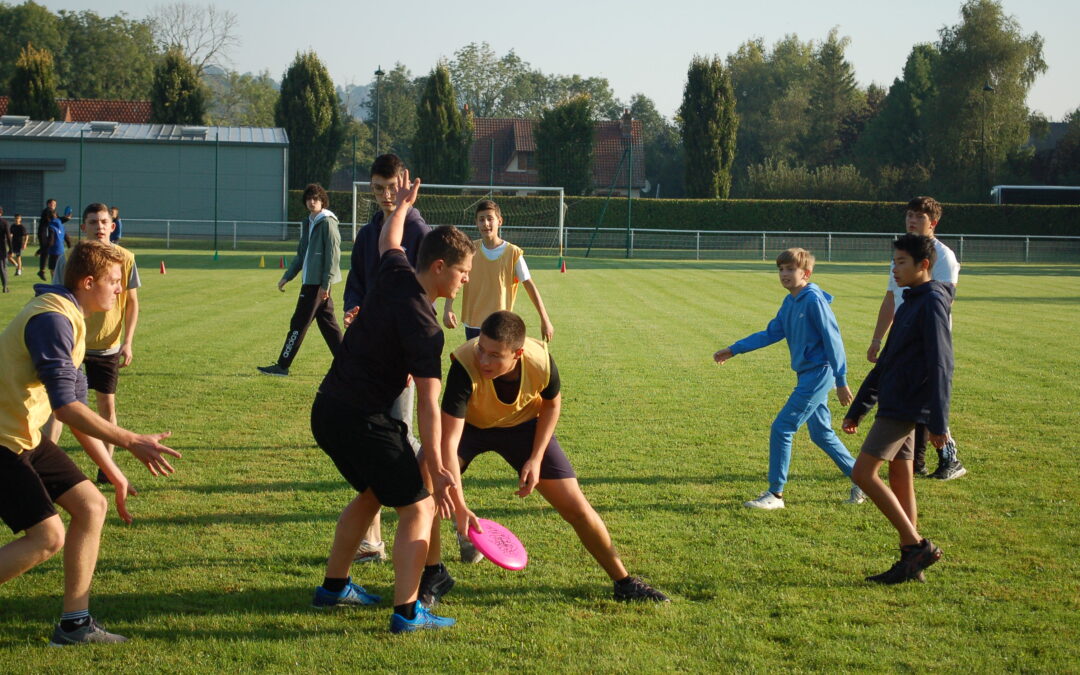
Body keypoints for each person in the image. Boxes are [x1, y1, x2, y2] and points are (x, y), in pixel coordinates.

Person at [310, 170, 476, 633]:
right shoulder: (426, 329)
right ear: (440, 268)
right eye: (462, 273)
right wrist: (440, 470)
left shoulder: (395, 271)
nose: (464, 282)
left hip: (326, 411)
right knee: (417, 507)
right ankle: (407, 612)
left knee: (373, 494)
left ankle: (334, 587)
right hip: (363, 420)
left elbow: (390, 237)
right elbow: (427, 407)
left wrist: (402, 205)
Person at [420, 310, 670, 607]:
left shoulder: (541, 361)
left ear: (518, 353)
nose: (484, 360)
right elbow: (448, 442)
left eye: (495, 355)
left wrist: (536, 458)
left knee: (575, 506)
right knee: (425, 478)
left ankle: (624, 582)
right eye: (481, 350)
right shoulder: (464, 364)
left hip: (523, 427)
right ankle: (434, 572)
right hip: (470, 428)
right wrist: (460, 505)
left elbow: (552, 406)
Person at [0, 240, 180, 645]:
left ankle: (74, 625)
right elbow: (65, 410)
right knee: (47, 537)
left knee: (91, 504)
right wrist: (132, 440)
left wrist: (113, 472)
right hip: (2, 440)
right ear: (87, 282)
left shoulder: (71, 316)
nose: (120, 290)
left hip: (21, 434)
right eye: (114, 281)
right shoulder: (54, 321)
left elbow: (77, 407)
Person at [713, 248, 863, 510]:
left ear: (806, 273)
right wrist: (734, 349)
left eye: (790, 269)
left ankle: (775, 495)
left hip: (819, 374)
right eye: (780, 269)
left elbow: (833, 340)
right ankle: (864, 482)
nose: (784, 274)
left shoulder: (814, 300)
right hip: (807, 374)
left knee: (782, 428)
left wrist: (841, 380)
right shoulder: (791, 302)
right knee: (821, 435)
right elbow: (771, 333)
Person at [843, 233, 952, 584]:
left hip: (906, 406)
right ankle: (911, 563)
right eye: (893, 262)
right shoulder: (909, 302)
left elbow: (941, 364)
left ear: (924, 265)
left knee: (862, 474)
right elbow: (887, 361)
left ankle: (915, 545)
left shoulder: (932, 301)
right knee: (900, 476)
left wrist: (938, 421)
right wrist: (859, 407)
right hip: (895, 401)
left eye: (901, 262)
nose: (895, 269)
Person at [341, 154, 432, 564]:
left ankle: (455, 516)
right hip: (369, 355)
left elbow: (422, 293)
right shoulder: (366, 233)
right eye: (376, 189)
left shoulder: (417, 231)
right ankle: (372, 540)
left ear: (404, 183)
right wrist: (354, 308)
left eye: (389, 188)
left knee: (402, 442)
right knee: (374, 443)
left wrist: (411, 351)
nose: (383, 196)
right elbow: (357, 283)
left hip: (399, 358)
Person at [867, 196, 965, 480]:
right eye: (909, 214)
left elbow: (945, 299)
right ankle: (915, 461)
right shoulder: (902, 253)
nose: (911, 220)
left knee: (926, 397)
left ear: (933, 223)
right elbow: (890, 298)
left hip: (925, 337)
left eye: (919, 216)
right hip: (903, 333)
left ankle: (949, 457)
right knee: (911, 398)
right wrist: (877, 339)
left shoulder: (942, 256)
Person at [46, 204, 141, 486]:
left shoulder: (125, 258)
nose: (99, 226)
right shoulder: (70, 260)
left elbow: (133, 302)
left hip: (108, 345)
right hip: (73, 343)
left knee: (106, 405)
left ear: (112, 226)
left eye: (104, 221)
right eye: (92, 222)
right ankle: (46, 460)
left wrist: (128, 341)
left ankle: (106, 468)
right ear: (83, 227)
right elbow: (58, 298)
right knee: (61, 405)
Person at [258, 183, 343, 376]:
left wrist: (325, 285)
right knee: (330, 328)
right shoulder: (308, 223)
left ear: (323, 201)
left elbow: (333, 256)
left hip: (316, 286)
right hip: (310, 283)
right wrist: (287, 277)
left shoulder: (328, 223)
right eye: (309, 199)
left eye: (316, 199)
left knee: (298, 325)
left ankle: (282, 366)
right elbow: (300, 255)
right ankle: (350, 364)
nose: (312, 202)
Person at [443, 199, 555, 342]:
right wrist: (448, 308)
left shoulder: (513, 253)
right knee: (476, 363)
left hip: (500, 324)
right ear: (476, 223)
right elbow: (456, 278)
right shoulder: (470, 250)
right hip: (473, 323)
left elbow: (529, 286)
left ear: (499, 221)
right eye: (481, 220)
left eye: (490, 219)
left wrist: (545, 319)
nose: (486, 224)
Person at [37, 199, 70, 280]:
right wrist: (66, 218)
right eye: (52, 203)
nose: (54, 205)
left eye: (55, 204)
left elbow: (57, 220)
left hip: (51, 236)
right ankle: (42, 271)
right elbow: (56, 220)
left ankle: (43, 271)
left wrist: (66, 218)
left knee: (47, 253)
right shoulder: (47, 211)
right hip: (44, 233)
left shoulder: (54, 215)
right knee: (45, 252)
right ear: (48, 204)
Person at [9, 213, 27, 278]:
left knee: (18, 257)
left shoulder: (22, 227)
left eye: (18, 218)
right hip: (13, 244)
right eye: (16, 218)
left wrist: (24, 243)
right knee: (9, 256)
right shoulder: (12, 226)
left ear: (20, 219)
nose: (17, 220)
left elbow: (26, 235)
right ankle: (17, 265)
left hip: (19, 244)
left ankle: (19, 271)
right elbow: (10, 234)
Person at [0, 206, 10, 293]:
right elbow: (8, 236)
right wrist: (11, 249)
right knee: (3, 268)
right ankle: (5, 286)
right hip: (2, 248)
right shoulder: (4, 222)